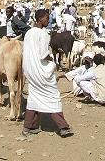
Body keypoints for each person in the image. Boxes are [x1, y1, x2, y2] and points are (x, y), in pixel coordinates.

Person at [22, 9, 73, 138]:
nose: (48, 20)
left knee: (34, 96)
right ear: (40, 19)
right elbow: (44, 55)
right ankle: (62, 127)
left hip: (30, 70)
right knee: (52, 96)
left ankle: (29, 126)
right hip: (41, 71)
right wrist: (53, 60)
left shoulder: (28, 33)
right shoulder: (43, 34)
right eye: (46, 17)